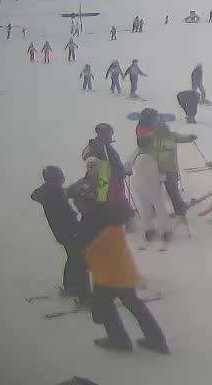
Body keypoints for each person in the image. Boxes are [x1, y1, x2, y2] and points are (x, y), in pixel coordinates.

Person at [68, 180, 169, 354]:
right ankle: (157, 341)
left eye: (77, 202)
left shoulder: (91, 222)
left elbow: (78, 248)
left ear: (85, 201)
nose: (76, 207)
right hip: (122, 269)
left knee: (103, 307)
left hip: (107, 275)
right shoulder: (107, 212)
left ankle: (119, 340)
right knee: (135, 306)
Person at [31, 166, 88, 301]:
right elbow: (64, 214)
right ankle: (83, 293)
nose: (62, 179)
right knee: (79, 259)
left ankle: (70, 286)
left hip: (62, 232)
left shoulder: (49, 191)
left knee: (73, 257)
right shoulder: (53, 193)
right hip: (68, 231)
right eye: (60, 177)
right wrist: (77, 226)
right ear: (54, 179)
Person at [133, 109, 193, 218]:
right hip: (155, 168)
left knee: (172, 190)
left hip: (170, 168)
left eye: (160, 122)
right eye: (156, 122)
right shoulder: (149, 133)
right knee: (155, 191)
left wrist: (189, 137)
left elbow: (180, 137)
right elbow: (141, 145)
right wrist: (142, 142)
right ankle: (153, 210)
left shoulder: (170, 135)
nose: (159, 124)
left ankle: (179, 210)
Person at [81, 124, 130, 218]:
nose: (111, 136)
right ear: (103, 134)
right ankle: (121, 219)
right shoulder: (100, 147)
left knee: (115, 200)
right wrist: (121, 173)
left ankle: (121, 218)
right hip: (110, 182)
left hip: (110, 181)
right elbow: (106, 169)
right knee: (115, 201)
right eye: (110, 134)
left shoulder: (100, 145)